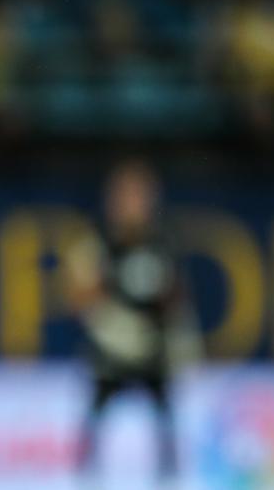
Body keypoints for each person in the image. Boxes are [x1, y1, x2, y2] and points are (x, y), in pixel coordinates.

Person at [65, 160, 187, 480]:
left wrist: (179, 337)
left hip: (152, 348)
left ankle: (169, 478)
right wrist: (113, 325)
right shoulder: (97, 244)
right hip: (112, 349)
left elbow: (175, 296)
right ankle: (86, 478)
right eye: (125, 197)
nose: (132, 205)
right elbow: (81, 296)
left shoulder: (162, 244)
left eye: (139, 197)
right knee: (95, 416)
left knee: (165, 418)